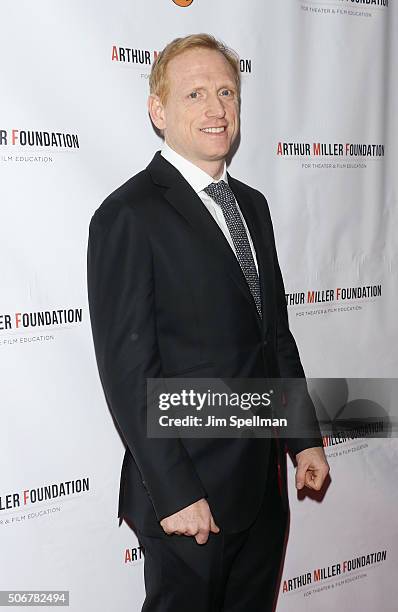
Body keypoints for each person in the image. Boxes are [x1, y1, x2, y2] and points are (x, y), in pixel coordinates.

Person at [87, 33, 329, 612]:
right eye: (195, 93)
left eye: (226, 91)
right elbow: (127, 372)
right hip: (187, 499)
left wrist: (303, 443)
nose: (216, 109)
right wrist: (176, 493)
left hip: (262, 493)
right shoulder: (128, 215)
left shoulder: (254, 206)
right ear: (158, 110)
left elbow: (274, 337)